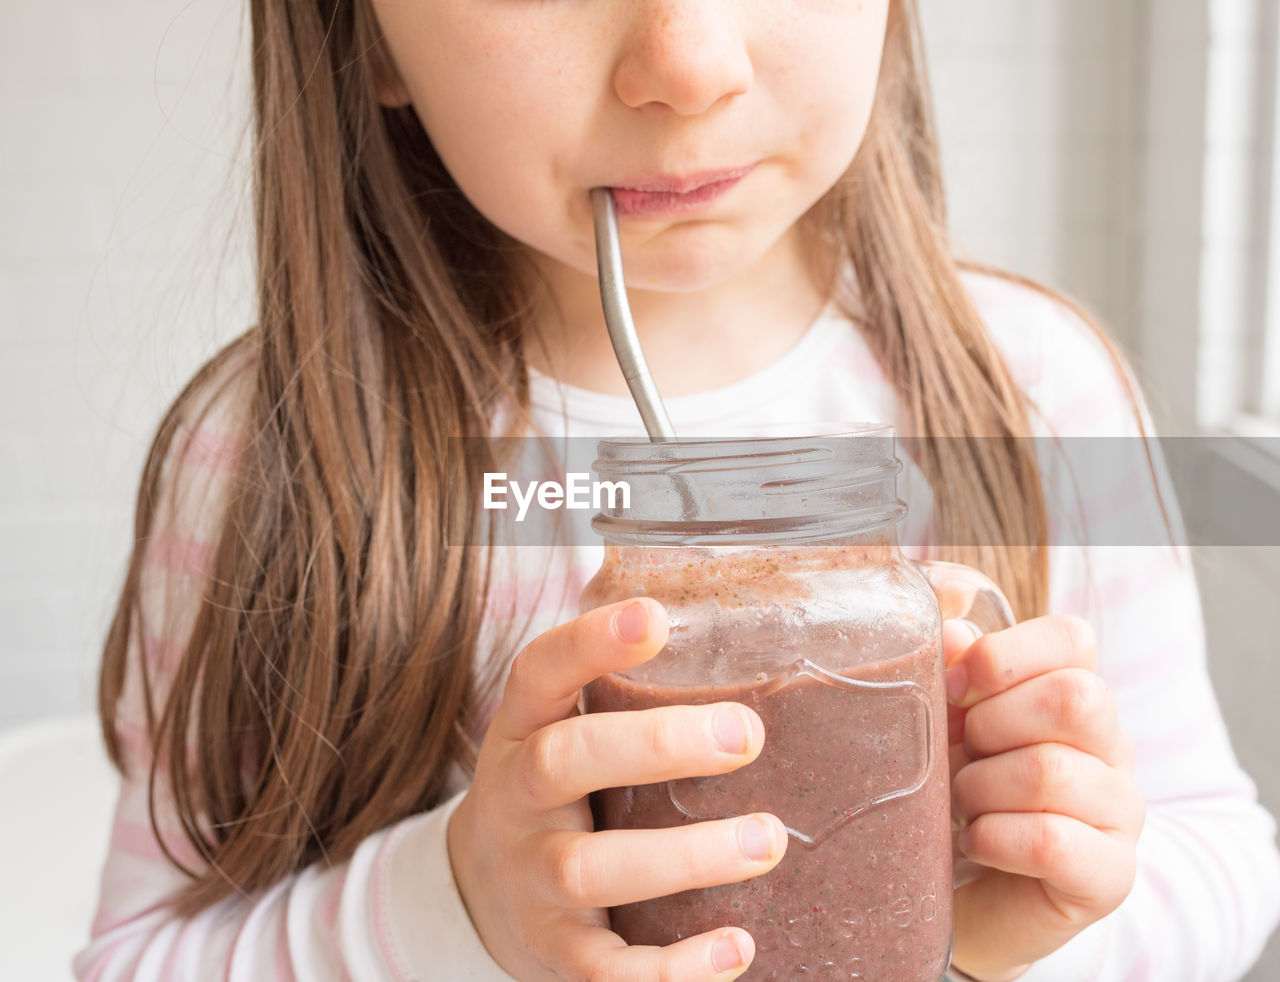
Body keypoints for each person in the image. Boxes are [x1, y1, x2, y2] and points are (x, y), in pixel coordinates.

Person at [76, 0, 1280, 979]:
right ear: (366, 36)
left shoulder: (1032, 397)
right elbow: (136, 960)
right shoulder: (273, 457)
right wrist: (454, 908)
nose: (687, 61)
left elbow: (1222, 856)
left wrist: (997, 925)